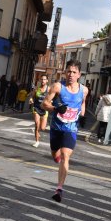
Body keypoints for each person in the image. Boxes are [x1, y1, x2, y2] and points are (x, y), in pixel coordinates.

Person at [42, 60, 88, 203]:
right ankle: (57, 159)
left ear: (79, 75)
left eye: (74, 72)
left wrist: (81, 113)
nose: (71, 74)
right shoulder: (57, 87)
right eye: (68, 71)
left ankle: (59, 188)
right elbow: (44, 104)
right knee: (56, 155)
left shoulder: (84, 90)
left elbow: (82, 104)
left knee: (65, 155)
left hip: (71, 129)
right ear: (65, 72)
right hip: (56, 128)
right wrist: (56, 109)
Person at [30, 74, 49, 148]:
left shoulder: (49, 89)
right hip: (36, 108)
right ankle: (37, 141)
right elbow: (32, 95)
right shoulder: (37, 88)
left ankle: (38, 132)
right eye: (42, 79)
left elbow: (54, 96)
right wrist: (31, 99)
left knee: (43, 128)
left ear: (47, 80)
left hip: (44, 110)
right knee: (37, 124)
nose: (43, 81)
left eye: (44, 79)